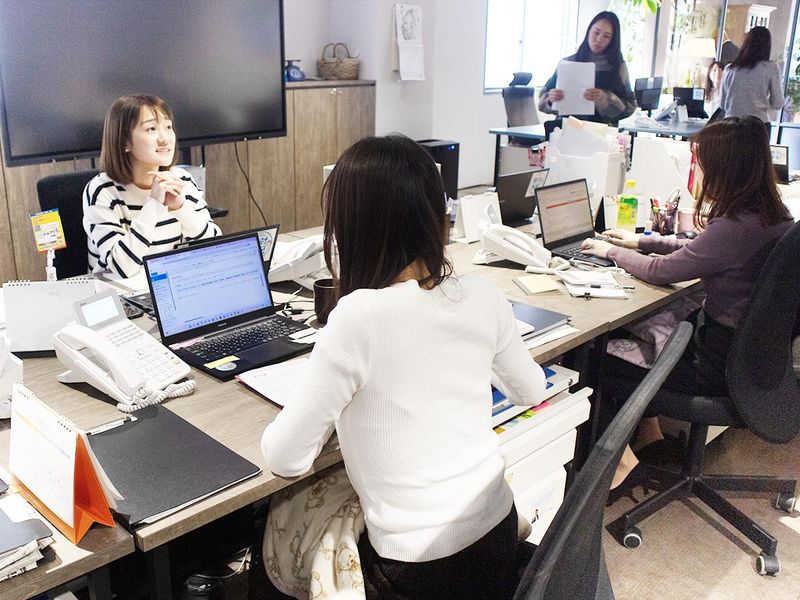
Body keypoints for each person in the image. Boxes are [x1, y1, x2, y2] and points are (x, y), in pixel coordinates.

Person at [261, 135, 547, 599]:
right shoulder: (483, 294)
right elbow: (532, 391)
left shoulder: (357, 317)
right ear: (437, 217)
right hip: (496, 536)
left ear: (351, 231)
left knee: (280, 516)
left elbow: (285, 458)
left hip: (416, 573)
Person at [580, 116, 793, 496]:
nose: (701, 172)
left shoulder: (735, 226)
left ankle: (622, 462)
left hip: (714, 363)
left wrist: (610, 251)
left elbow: (661, 272)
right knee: (647, 326)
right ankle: (651, 434)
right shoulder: (772, 215)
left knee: (591, 356)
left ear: (725, 168)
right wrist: (640, 242)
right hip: (750, 358)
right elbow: (700, 249)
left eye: (704, 164)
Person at [83, 94, 221, 277]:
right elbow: (122, 268)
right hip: (118, 291)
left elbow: (215, 250)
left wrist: (181, 208)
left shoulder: (182, 180)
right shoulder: (102, 190)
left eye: (168, 127)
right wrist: (154, 205)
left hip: (170, 286)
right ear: (125, 142)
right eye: (151, 129)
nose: (165, 139)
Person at [538, 11, 636, 126]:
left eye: (606, 36)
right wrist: (551, 99)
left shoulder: (618, 67)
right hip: (566, 130)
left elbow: (630, 107)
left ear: (612, 40)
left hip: (601, 132)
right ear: (589, 31)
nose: (599, 39)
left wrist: (605, 99)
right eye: (596, 32)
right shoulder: (568, 63)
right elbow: (542, 101)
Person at [719, 27, 784, 126]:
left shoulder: (730, 69)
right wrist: (762, 104)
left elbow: (722, 104)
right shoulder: (770, 68)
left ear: (746, 43)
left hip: (731, 124)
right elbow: (778, 103)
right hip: (758, 123)